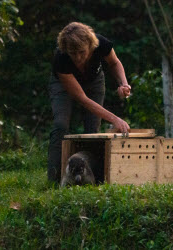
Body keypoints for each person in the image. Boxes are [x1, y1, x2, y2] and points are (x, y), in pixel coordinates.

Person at [47, 22, 131, 184]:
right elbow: (83, 99)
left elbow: (114, 63)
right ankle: (54, 179)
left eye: (82, 52)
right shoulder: (60, 59)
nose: (78, 57)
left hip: (94, 81)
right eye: (73, 53)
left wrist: (123, 84)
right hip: (64, 85)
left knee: (92, 130)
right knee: (60, 125)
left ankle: (94, 179)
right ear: (66, 51)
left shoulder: (101, 44)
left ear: (91, 46)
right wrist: (115, 119)